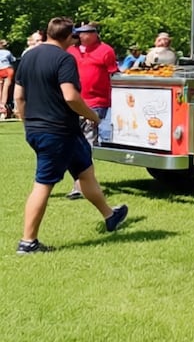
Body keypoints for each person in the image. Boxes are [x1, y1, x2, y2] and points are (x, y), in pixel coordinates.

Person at [12, 16, 128, 254]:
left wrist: (28, 122)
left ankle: (110, 216)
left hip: (46, 129)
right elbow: (71, 97)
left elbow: (18, 97)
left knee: (85, 171)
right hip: (57, 132)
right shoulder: (65, 58)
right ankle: (28, 242)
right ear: (67, 37)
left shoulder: (28, 56)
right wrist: (94, 117)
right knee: (43, 184)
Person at [66, 23, 118, 199]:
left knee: (87, 143)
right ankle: (84, 183)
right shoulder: (71, 51)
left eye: (87, 33)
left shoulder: (105, 50)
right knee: (72, 143)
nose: (82, 36)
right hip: (73, 101)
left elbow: (113, 74)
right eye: (80, 33)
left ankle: (81, 186)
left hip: (96, 103)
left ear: (95, 34)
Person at [0, 39, 15, 119]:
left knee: (0, 91)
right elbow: (13, 60)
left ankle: (1, 109)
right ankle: (3, 109)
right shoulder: (8, 52)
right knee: (6, 90)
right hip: (7, 69)